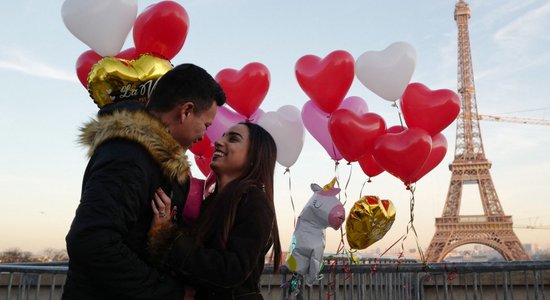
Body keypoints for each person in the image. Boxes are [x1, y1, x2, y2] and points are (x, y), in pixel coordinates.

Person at [62, 63, 226, 300]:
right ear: (186, 111)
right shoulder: (129, 156)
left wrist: (160, 235)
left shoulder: (148, 157)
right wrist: (170, 293)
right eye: (206, 124)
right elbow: (91, 241)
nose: (204, 135)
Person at [149, 122, 282, 300]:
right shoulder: (212, 201)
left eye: (233, 138)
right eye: (222, 136)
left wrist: (167, 237)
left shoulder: (254, 201)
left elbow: (231, 272)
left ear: (254, 156)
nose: (218, 142)